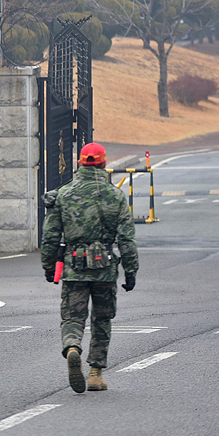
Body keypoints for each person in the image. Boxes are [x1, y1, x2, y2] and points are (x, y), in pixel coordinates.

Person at [41, 142, 139, 393]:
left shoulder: (63, 194)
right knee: (102, 318)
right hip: (105, 268)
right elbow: (126, 238)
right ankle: (96, 373)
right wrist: (130, 271)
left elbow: (51, 235)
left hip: (74, 265)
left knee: (73, 317)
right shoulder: (115, 195)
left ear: (81, 162)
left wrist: (49, 266)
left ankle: (73, 346)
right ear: (104, 163)